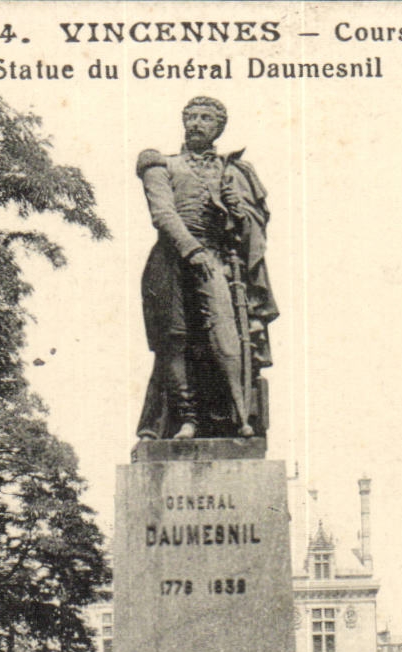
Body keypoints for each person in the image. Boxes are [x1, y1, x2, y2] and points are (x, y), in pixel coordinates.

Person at [135, 96, 279, 441]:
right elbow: (163, 214)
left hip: (217, 262)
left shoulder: (232, 171)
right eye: (191, 116)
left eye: (206, 118)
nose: (197, 123)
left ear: (218, 127)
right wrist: (192, 251)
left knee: (225, 339)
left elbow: (248, 232)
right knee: (176, 340)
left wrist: (236, 213)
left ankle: (234, 416)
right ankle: (186, 419)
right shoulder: (160, 164)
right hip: (172, 261)